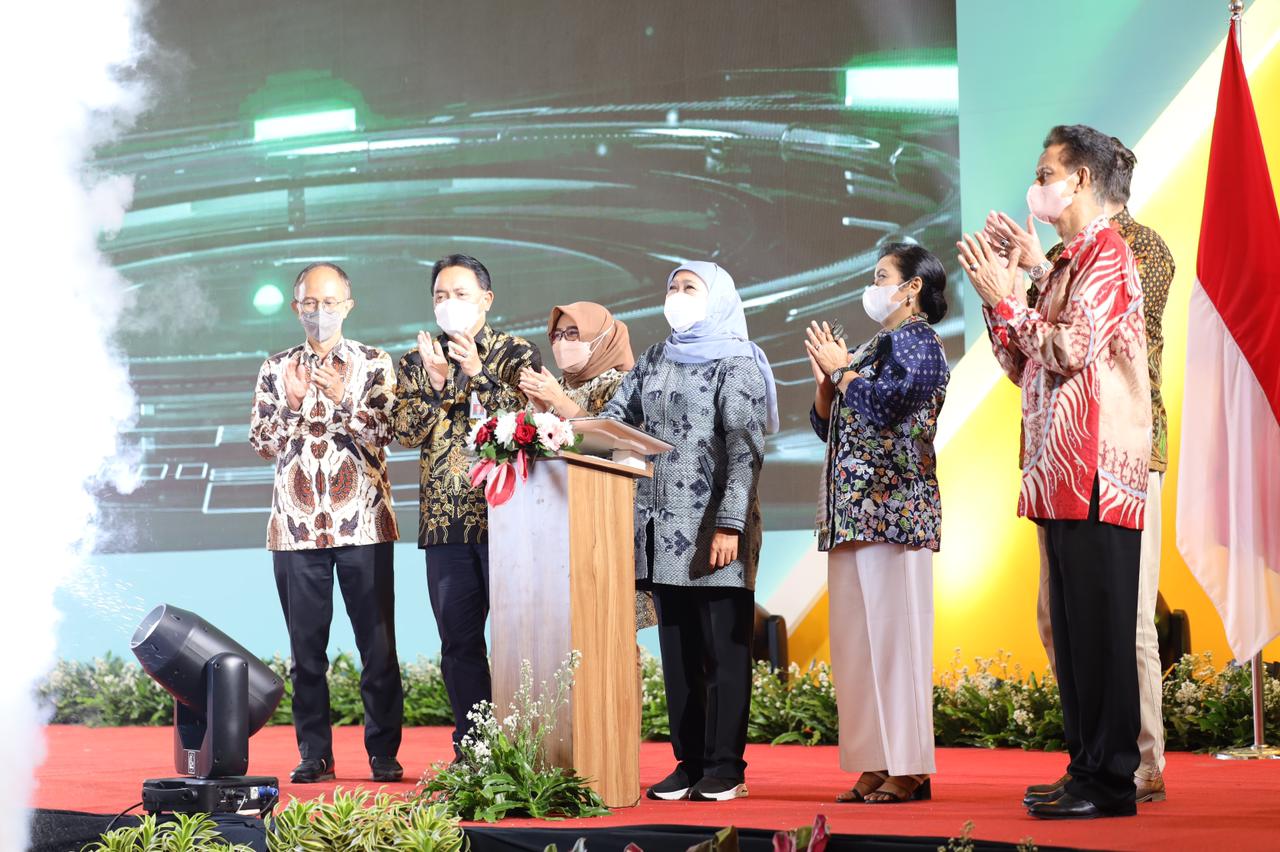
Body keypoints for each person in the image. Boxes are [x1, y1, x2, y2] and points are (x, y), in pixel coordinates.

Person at [963, 124, 1151, 820]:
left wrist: (1011, 297)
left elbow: (1071, 347)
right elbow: (1024, 365)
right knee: (1070, 633)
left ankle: (1112, 781)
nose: (1037, 183)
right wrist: (1004, 292)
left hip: (1098, 467)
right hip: (1057, 469)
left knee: (1102, 631)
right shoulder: (1068, 262)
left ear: (1082, 180)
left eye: (1047, 172)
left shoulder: (1109, 253)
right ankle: (1084, 768)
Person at [601, 261, 777, 802]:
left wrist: (729, 525)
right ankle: (689, 762)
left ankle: (726, 767)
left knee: (723, 652)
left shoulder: (738, 362)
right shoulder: (656, 357)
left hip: (715, 531)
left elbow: (746, 451)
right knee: (679, 656)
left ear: (717, 297)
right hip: (660, 532)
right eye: (673, 287)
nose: (677, 295)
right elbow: (615, 417)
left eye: (690, 287)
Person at [805, 244, 950, 805]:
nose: (874, 285)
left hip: (895, 514)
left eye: (882, 276)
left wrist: (842, 371)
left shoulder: (920, 342)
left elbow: (889, 407)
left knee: (896, 645)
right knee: (859, 649)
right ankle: (874, 760)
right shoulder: (871, 347)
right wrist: (827, 385)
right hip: (851, 516)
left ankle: (909, 766)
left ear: (912, 288)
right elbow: (834, 429)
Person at [249, 262, 404, 784]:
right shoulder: (275, 367)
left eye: (330, 302)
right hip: (295, 530)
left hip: (363, 524)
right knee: (306, 655)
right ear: (297, 308)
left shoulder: (375, 363)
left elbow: (388, 432)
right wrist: (292, 404)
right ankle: (314, 753)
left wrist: (343, 398)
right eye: (311, 303)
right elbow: (261, 443)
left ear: (348, 306)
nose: (320, 312)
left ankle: (383, 752)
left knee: (377, 648)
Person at [391, 254, 541, 756]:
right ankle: (475, 750)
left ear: (486, 299)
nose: (448, 303)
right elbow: (404, 432)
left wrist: (477, 372)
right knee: (459, 643)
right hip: (445, 523)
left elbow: (526, 423)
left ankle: (527, 748)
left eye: (459, 294)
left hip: (508, 521)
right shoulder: (416, 361)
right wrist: (435, 386)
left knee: (518, 641)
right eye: (440, 295)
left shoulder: (516, 353)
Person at [518, 302, 656, 629]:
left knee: (611, 631)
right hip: (558, 521)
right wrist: (539, 411)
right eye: (556, 335)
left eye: (573, 333)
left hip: (608, 521)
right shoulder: (558, 386)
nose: (561, 343)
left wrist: (558, 402)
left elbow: (616, 442)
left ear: (602, 337)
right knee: (566, 630)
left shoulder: (626, 384)